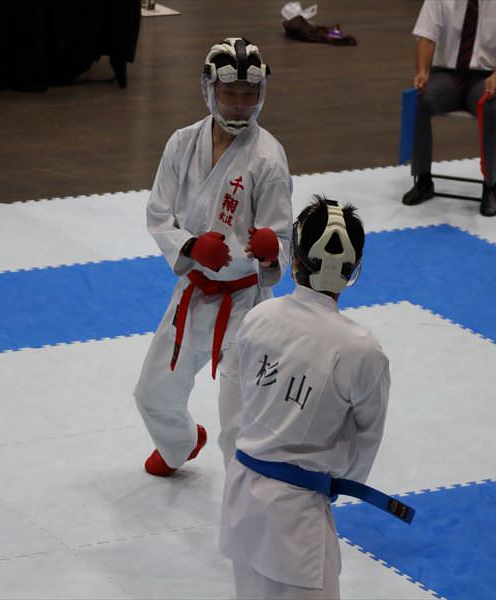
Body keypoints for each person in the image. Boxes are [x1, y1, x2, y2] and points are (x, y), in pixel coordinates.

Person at [134, 37, 293, 477]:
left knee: (239, 419)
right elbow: (158, 213)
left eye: (249, 94)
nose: (240, 105)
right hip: (195, 289)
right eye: (230, 93)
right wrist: (189, 246)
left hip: (246, 302)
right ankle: (181, 443)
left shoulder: (268, 159)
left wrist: (270, 252)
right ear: (209, 89)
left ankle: (245, 499)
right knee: (152, 395)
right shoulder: (182, 143)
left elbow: (281, 237)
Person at [221, 196, 390, 599]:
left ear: (294, 260)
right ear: (353, 268)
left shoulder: (258, 318)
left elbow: (239, 405)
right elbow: (367, 440)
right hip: (297, 516)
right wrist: (337, 483)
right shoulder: (360, 349)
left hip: (241, 493)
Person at [402, 0, 496, 217]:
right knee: (419, 100)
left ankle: (490, 186)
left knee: (494, 108)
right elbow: (426, 38)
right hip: (446, 75)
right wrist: (422, 72)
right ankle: (423, 180)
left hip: (485, 76)